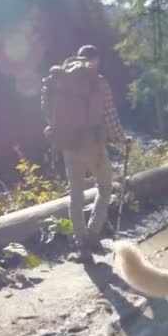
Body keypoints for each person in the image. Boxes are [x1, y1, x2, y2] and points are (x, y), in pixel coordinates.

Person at [41, 45, 130, 263]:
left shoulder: (58, 80)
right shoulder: (98, 82)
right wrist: (122, 139)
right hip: (93, 144)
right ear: (95, 60)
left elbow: (47, 111)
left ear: (78, 58)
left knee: (76, 195)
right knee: (105, 186)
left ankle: (82, 244)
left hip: (68, 145)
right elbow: (109, 116)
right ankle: (92, 234)